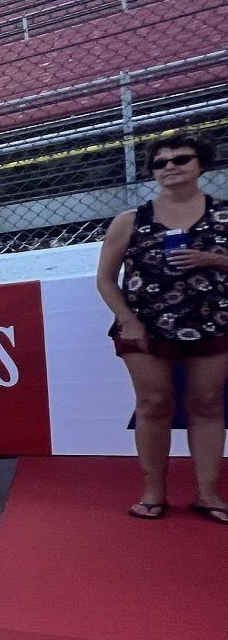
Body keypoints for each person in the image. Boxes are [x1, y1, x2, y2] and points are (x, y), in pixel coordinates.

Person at [95, 133, 228, 523]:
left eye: (181, 159)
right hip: (146, 326)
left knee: (206, 404)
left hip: (213, 321)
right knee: (154, 405)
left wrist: (212, 259)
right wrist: (127, 318)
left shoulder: (225, 214)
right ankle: (153, 492)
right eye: (161, 162)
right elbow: (106, 278)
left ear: (200, 164)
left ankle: (208, 494)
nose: (171, 167)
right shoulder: (130, 220)